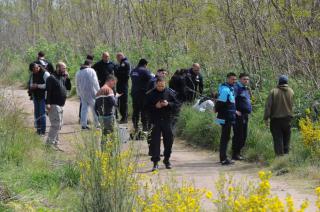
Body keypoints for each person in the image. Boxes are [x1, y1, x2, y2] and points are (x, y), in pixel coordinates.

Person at [146, 77, 180, 171]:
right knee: (155, 142)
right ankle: (155, 162)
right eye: (159, 86)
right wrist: (155, 106)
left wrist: (168, 104)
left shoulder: (170, 93)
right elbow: (145, 108)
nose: (161, 87)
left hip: (167, 120)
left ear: (165, 84)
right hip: (155, 121)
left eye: (162, 85)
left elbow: (177, 106)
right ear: (156, 84)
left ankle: (167, 159)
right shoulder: (150, 94)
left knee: (169, 141)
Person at [264, 75, 294, 156]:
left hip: (276, 120)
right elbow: (292, 105)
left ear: (279, 82)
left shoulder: (273, 91)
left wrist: (266, 118)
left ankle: (279, 160)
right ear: (287, 82)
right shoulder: (291, 91)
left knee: (278, 140)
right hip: (288, 119)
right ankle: (286, 159)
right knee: (286, 140)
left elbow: (268, 106)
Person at [45, 62, 71, 150]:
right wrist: (47, 103)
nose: (65, 70)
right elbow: (47, 91)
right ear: (58, 68)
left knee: (59, 125)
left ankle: (55, 143)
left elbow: (68, 88)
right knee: (56, 124)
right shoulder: (51, 78)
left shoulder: (62, 77)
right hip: (53, 104)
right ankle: (49, 144)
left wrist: (67, 78)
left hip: (60, 105)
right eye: (63, 68)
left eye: (65, 68)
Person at [215, 72, 237, 165]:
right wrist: (215, 109)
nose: (234, 81)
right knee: (225, 138)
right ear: (228, 79)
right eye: (232, 79)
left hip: (229, 117)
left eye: (235, 79)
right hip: (225, 117)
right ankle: (223, 158)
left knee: (226, 137)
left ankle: (223, 157)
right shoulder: (225, 90)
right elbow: (220, 104)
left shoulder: (230, 89)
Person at [232, 73, 252, 160]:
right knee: (238, 134)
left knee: (244, 135)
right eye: (244, 79)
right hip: (238, 116)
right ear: (240, 79)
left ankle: (238, 152)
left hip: (245, 115)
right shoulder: (236, 88)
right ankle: (235, 154)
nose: (246, 81)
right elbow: (231, 100)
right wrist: (235, 111)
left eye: (247, 79)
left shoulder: (245, 88)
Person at [76, 60, 100, 130]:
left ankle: (83, 125)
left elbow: (77, 84)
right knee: (94, 108)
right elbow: (95, 82)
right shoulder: (91, 70)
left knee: (84, 109)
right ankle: (97, 124)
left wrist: (78, 94)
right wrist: (99, 91)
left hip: (83, 93)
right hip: (92, 92)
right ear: (90, 64)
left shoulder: (78, 72)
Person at [95, 75, 118, 147]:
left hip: (101, 117)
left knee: (104, 135)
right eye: (114, 83)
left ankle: (103, 152)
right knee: (111, 135)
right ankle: (111, 154)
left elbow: (95, 107)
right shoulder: (108, 90)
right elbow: (113, 103)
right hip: (109, 116)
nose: (114, 86)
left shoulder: (98, 91)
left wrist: (99, 116)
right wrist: (116, 98)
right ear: (110, 80)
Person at [130, 58, 153, 132]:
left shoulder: (133, 71)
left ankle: (135, 126)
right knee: (144, 110)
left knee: (136, 110)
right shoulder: (145, 71)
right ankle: (145, 127)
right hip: (142, 93)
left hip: (134, 93)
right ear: (145, 64)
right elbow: (152, 78)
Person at [28, 63, 50, 135]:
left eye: (36, 68)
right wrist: (32, 86)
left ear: (38, 67)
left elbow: (49, 84)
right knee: (36, 113)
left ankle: (43, 131)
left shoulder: (45, 74)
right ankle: (38, 130)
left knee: (42, 113)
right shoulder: (33, 74)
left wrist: (38, 86)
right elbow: (30, 83)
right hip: (35, 96)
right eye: (33, 70)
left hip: (43, 96)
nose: (35, 71)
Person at [114, 52, 131, 123]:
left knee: (123, 102)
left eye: (117, 58)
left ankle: (124, 118)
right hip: (121, 85)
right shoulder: (123, 63)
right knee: (120, 102)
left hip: (123, 85)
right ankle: (123, 118)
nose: (117, 60)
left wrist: (116, 70)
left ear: (120, 56)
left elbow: (122, 75)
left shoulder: (124, 63)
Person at [79, 54, 94, 122]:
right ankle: (84, 119)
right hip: (88, 89)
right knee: (88, 105)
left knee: (83, 104)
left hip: (82, 88)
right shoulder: (88, 66)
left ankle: (82, 119)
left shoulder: (83, 66)